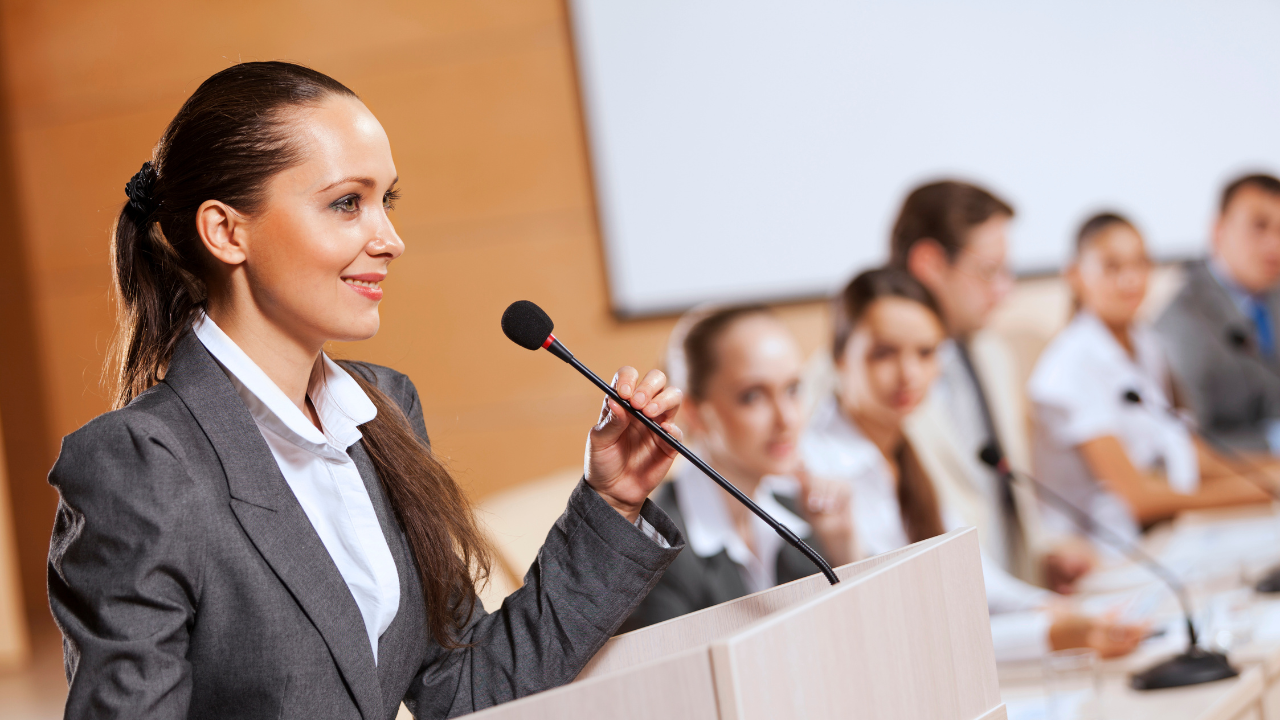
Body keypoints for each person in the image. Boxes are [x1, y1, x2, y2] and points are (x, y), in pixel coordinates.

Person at [46, 62, 688, 720]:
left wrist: (611, 499)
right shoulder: (140, 464)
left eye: (388, 201)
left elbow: (463, 686)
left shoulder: (384, 414)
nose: (390, 240)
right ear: (226, 232)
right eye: (347, 203)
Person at [803, 268, 1145, 662]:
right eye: (884, 353)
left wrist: (1061, 612)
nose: (909, 374)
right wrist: (1051, 632)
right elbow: (906, 635)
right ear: (839, 357)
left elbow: (978, 581)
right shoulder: (821, 471)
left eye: (926, 353)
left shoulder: (905, 447)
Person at [889, 180, 1091, 592]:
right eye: (988, 271)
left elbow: (999, 495)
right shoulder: (867, 379)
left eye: (1006, 270)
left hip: (1015, 612)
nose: (1005, 290)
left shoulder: (991, 353)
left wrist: (1040, 559)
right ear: (929, 264)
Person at [1028, 213, 1272, 545]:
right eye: (1112, 267)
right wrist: (1255, 491)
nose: (1131, 280)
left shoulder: (1144, 342)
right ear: (1074, 275)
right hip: (1110, 554)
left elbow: (1189, 453)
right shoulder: (1068, 369)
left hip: (1167, 533)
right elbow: (1138, 499)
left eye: (1141, 264)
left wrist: (1268, 473)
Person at [620, 305, 855, 631]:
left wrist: (842, 548)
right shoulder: (653, 553)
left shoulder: (800, 514)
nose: (786, 418)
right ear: (695, 414)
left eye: (792, 389)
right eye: (752, 397)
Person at [1155, 173, 1280, 452]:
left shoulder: (1273, 298)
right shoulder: (1183, 321)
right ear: (1218, 230)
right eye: (1259, 227)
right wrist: (1271, 442)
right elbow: (1192, 444)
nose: (1274, 244)